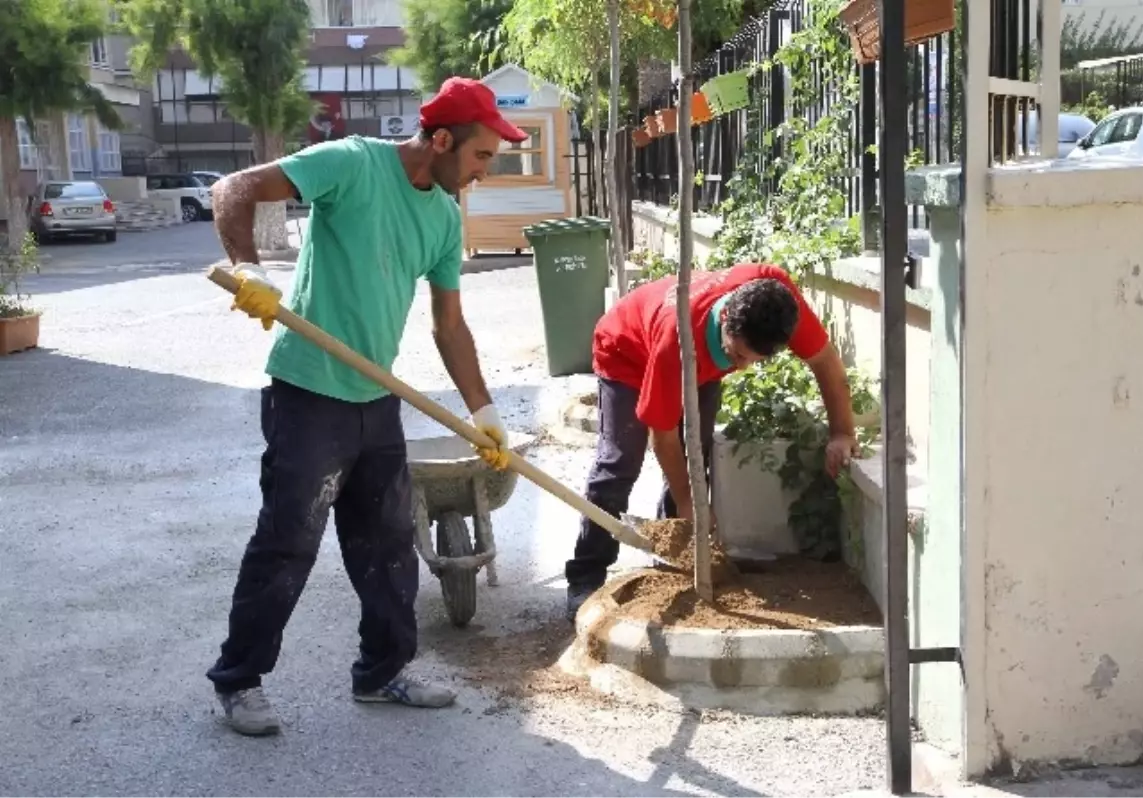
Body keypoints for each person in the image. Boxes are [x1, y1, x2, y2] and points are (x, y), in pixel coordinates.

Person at [205, 77, 523, 736]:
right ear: (441, 140)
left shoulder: (441, 216)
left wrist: (483, 411)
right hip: (308, 392)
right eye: (481, 157)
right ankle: (238, 680)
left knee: (387, 544)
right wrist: (250, 270)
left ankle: (383, 672)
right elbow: (231, 188)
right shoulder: (350, 164)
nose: (483, 172)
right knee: (288, 541)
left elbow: (449, 326)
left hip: (376, 395)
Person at [564, 264, 859, 619]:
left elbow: (825, 361)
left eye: (756, 360)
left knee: (696, 452)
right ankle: (586, 575)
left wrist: (842, 433)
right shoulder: (676, 338)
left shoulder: (775, 299)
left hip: (700, 354)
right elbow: (663, 434)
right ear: (726, 321)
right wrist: (690, 501)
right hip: (627, 350)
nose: (745, 367)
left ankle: (674, 558)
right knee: (619, 461)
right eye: (738, 357)